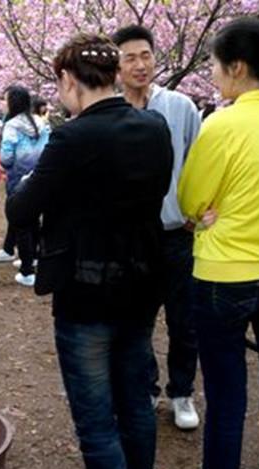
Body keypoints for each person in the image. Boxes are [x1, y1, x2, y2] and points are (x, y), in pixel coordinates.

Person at [7, 33, 173, 469]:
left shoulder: (72, 137)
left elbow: (20, 211)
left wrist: (33, 182)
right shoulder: (155, 126)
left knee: (97, 424)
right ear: (114, 73)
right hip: (142, 284)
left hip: (85, 294)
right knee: (136, 406)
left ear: (67, 78)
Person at [178, 18, 259, 469]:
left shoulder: (223, 123)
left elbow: (191, 199)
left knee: (226, 397)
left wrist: (206, 212)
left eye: (215, 65)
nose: (212, 75)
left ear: (237, 67)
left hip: (224, 273)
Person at [113, 25, 202, 429]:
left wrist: (196, 212)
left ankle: (182, 392)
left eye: (145, 55)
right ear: (117, 66)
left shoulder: (180, 106)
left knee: (185, 320)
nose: (140, 65)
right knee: (136, 320)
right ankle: (145, 388)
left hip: (178, 234)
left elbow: (200, 162)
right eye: (130, 57)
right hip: (131, 237)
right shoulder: (110, 111)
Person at [0, 85, 49, 287]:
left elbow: (7, 157)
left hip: (17, 179)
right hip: (40, 176)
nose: (2, 103)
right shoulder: (41, 122)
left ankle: (27, 271)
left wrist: (5, 166)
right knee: (35, 220)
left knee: (21, 221)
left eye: (4, 99)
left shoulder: (12, 126)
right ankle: (35, 257)